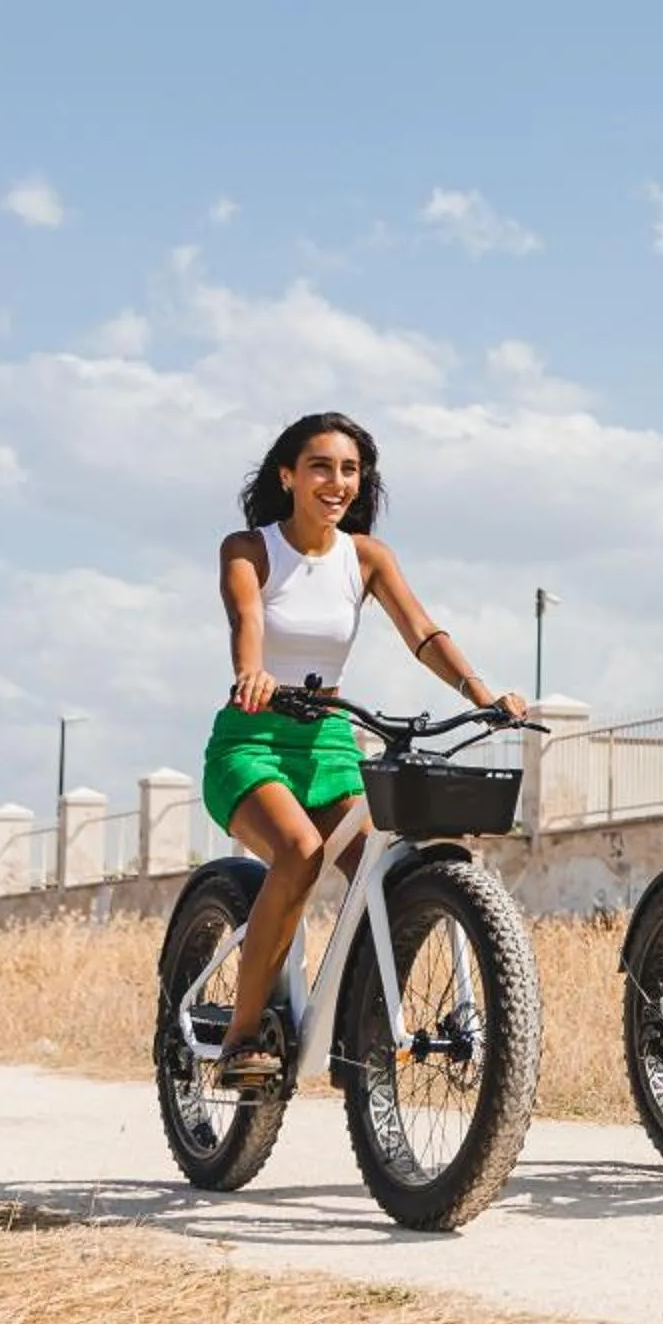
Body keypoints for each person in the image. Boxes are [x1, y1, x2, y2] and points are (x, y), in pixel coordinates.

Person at [203, 411, 526, 1089]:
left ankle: (363, 1026)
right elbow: (248, 617)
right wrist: (252, 673)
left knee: (387, 872)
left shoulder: (366, 557)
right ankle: (240, 1037)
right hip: (254, 738)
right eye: (321, 467)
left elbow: (421, 632)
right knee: (299, 853)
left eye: (350, 470)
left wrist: (480, 692)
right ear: (288, 475)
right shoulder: (250, 548)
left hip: (329, 740)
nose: (337, 482)